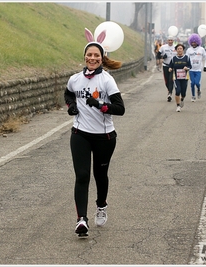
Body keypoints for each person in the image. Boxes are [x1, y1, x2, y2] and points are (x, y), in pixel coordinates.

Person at [64, 28, 125, 238]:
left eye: (96, 56)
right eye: (89, 55)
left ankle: (101, 205)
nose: (92, 58)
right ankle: (82, 220)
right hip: (80, 133)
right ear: (84, 57)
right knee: (82, 176)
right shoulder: (74, 79)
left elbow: (120, 108)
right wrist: (71, 105)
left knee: (100, 175)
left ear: (101, 58)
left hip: (104, 137)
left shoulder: (107, 80)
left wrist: (100, 105)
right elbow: (68, 94)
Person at [168, 43, 192, 112]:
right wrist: (170, 69)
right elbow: (170, 66)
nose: (179, 50)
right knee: (177, 91)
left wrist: (186, 68)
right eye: (178, 49)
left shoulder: (186, 58)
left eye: (181, 49)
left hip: (184, 78)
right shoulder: (174, 58)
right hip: (176, 78)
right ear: (176, 50)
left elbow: (190, 66)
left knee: (183, 93)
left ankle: (182, 99)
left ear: (183, 50)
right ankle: (178, 106)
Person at [186, 34, 206, 102]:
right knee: (192, 83)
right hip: (191, 69)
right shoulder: (189, 50)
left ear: (198, 42)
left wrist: (205, 66)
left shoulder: (201, 49)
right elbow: (186, 59)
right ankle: (193, 96)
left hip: (198, 69)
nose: (193, 43)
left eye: (195, 42)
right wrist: (186, 67)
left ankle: (198, 90)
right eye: (192, 42)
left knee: (197, 83)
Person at [157, 36, 177, 102]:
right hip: (165, 65)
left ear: (173, 41)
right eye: (169, 40)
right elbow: (158, 55)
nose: (170, 41)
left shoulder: (176, 47)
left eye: (171, 40)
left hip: (173, 66)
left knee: (171, 79)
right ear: (167, 41)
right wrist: (162, 56)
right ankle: (169, 90)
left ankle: (170, 94)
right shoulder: (163, 47)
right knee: (166, 81)